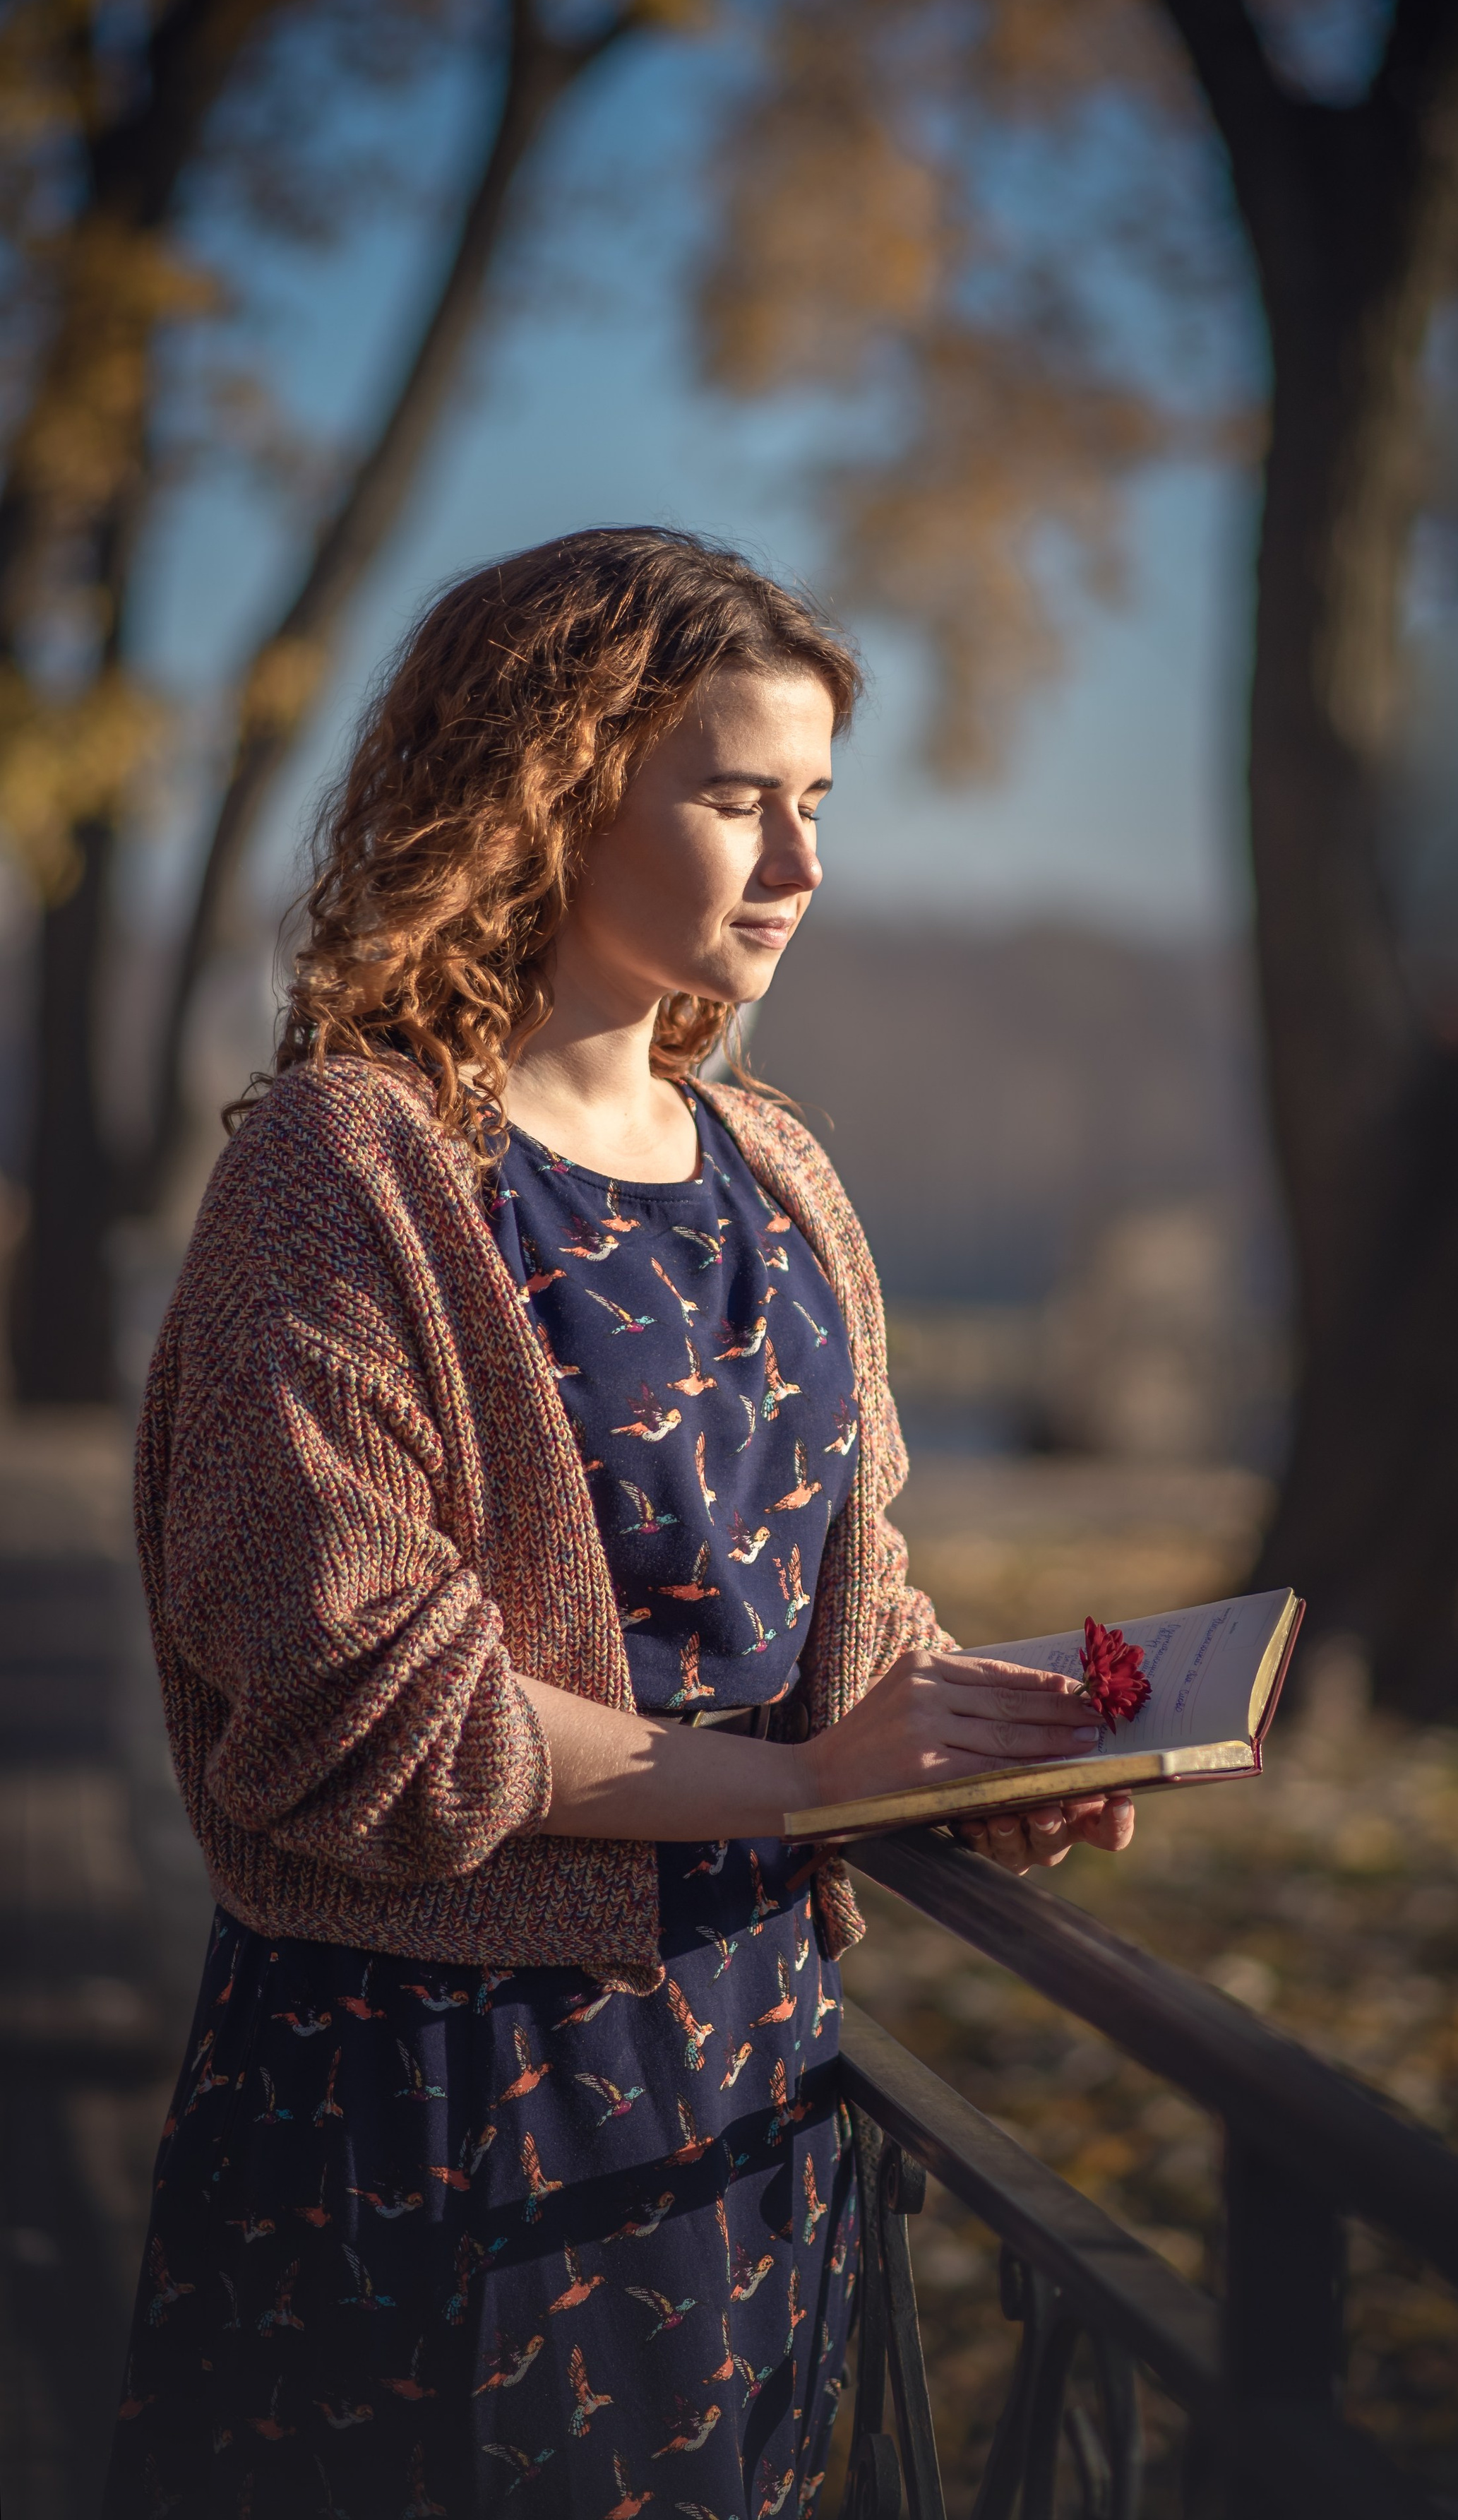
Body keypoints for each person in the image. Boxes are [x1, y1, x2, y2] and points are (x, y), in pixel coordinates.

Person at [106, 527, 1133, 2518]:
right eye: (737, 797)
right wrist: (807, 1783)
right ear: (550, 788)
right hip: (423, 2119)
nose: (800, 866)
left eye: (818, 802)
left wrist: (970, 1750)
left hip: (743, 2105)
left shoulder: (782, 1171)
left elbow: (833, 1616)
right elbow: (355, 1704)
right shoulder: (348, 1173)